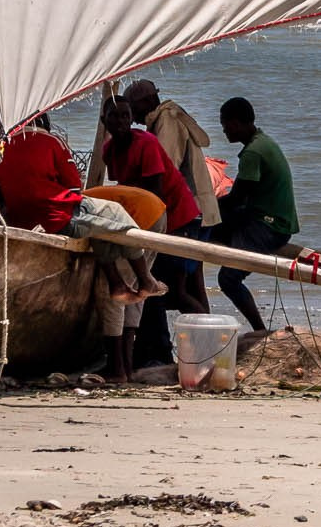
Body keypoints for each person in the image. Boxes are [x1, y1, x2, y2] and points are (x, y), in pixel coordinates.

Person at [0, 116, 167, 381]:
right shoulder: (51, 140)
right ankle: (144, 280)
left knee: (101, 229)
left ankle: (118, 284)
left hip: (25, 219)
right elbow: (74, 186)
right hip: (58, 215)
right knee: (115, 215)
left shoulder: (1, 146)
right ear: (43, 123)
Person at [95, 95, 206, 364]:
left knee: (168, 288)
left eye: (125, 115)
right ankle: (149, 352)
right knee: (157, 286)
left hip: (173, 215)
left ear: (132, 118)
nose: (120, 121)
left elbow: (154, 193)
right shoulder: (109, 150)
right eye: (114, 116)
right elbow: (125, 188)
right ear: (104, 121)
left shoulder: (146, 143)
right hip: (145, 215)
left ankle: (191, 349)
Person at [212, 96, 299, 332]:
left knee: (227, 279)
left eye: (225, 124)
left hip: (269, 227)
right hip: (267, 218)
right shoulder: (263, 142)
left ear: (238, 123)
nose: (224, 130)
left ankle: (260, 331)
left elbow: (236, 198)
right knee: (211, 224)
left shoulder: (253, 153)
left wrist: (209, 205)